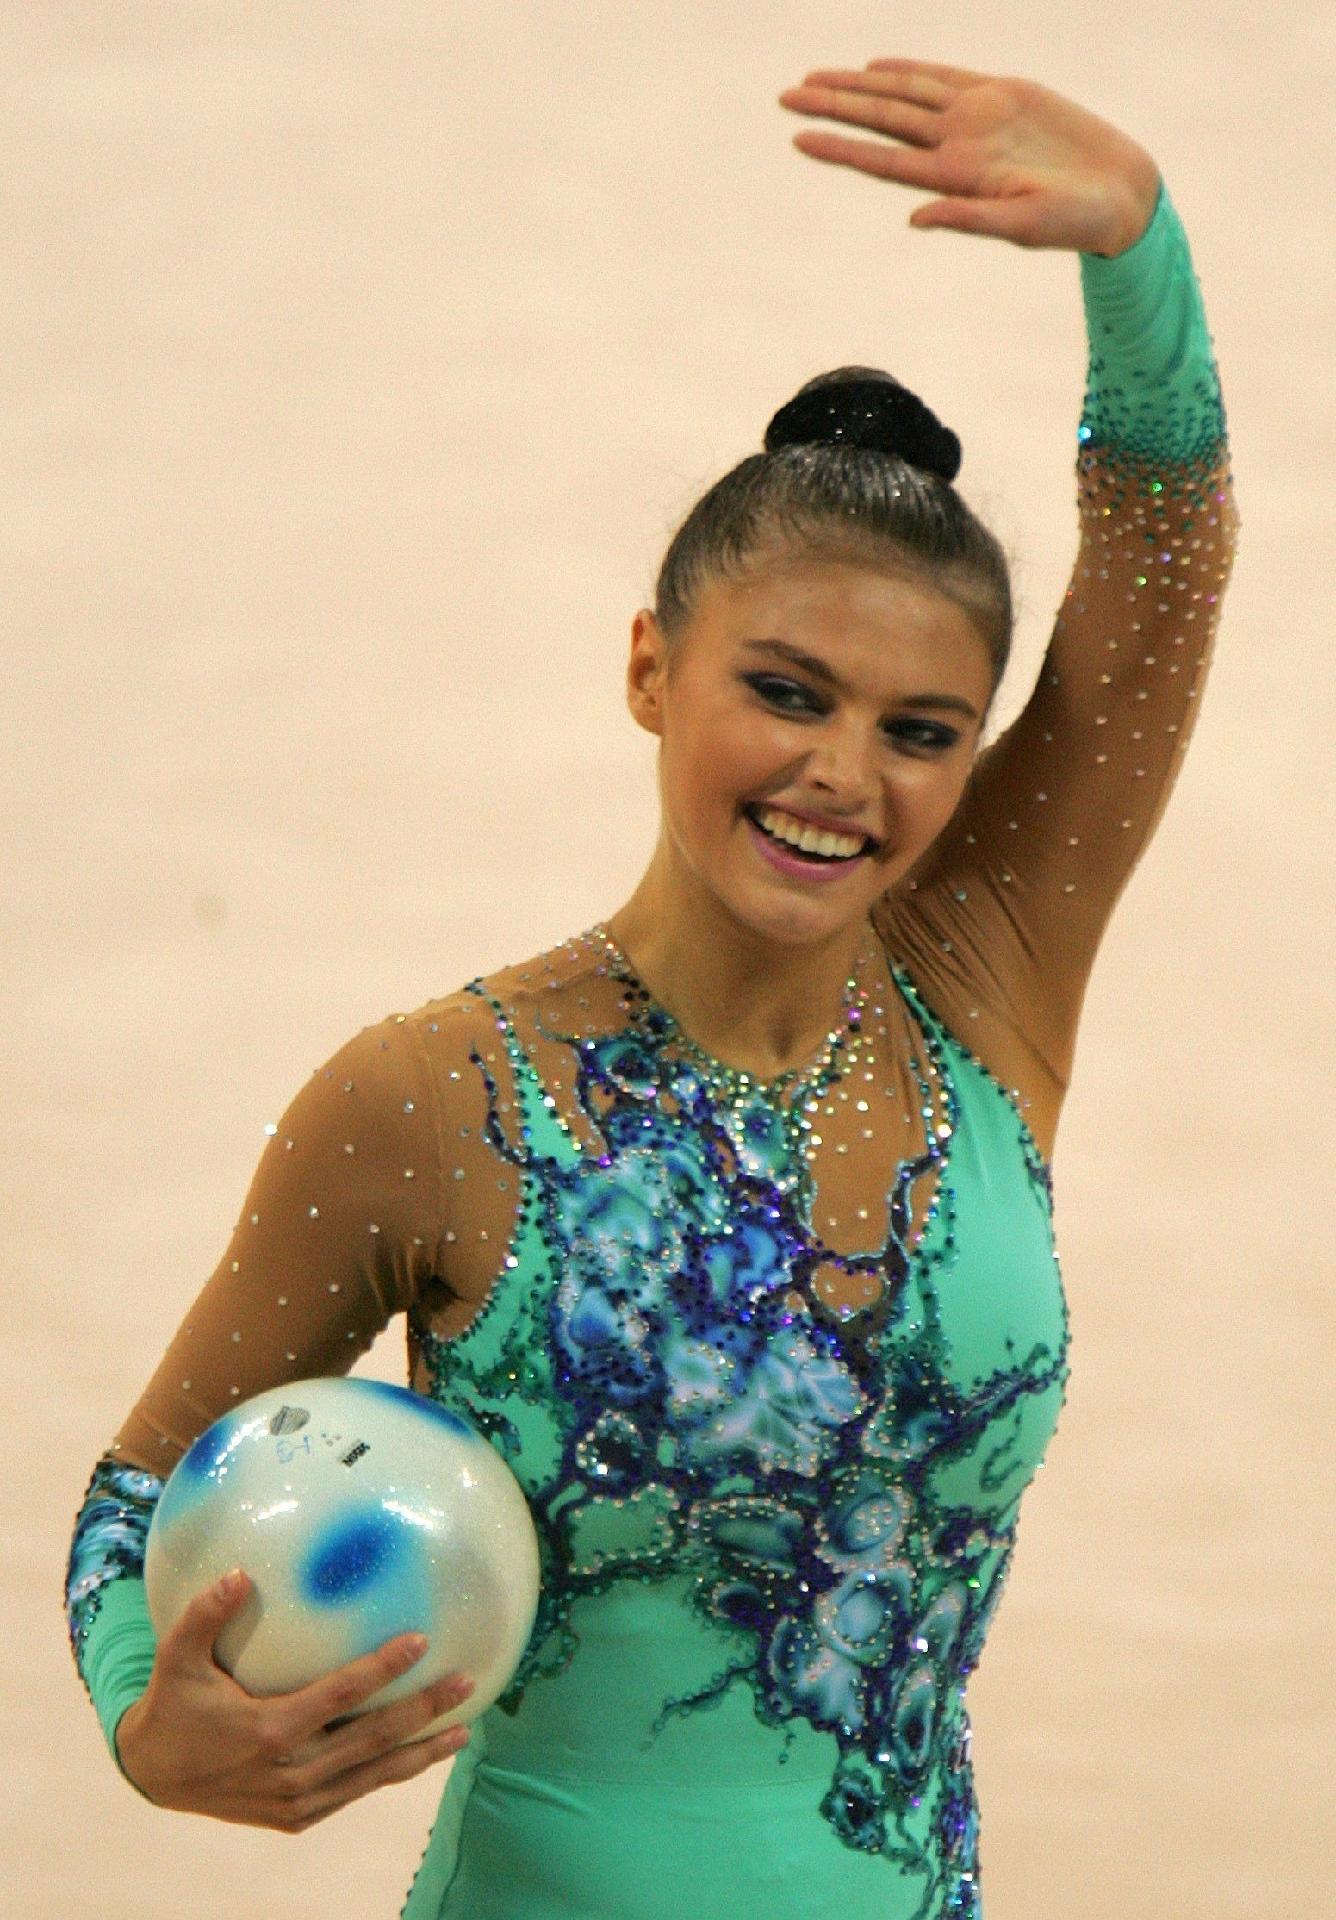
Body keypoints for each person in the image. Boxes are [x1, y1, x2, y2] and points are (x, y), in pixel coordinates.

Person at [65, 55, 1237, 1920]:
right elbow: (135, 1501)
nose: (846, 774)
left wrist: (1138, 253)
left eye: (919, 730)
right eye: (786, 692)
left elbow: (1165, 571)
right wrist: (149, 1719)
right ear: (650, 669)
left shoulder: (988, 990)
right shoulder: (429, 1097)